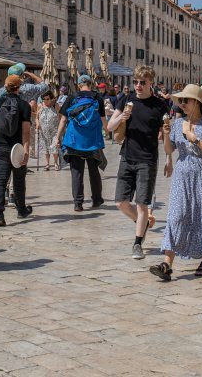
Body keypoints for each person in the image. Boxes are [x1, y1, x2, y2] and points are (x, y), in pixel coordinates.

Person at [149, 84, 202, 282]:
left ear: (197, 102)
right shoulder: (177, 123)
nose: (182, 104)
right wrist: (165, 134)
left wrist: (194, 138)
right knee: (176, 216)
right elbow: (170, 149)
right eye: (180, 101)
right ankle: (166, 263)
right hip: (182, 176)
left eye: (185, 100)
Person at [107, 65, 168, 260]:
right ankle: (144, 223)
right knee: (120, 203)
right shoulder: (126, 100)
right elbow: (110, 126)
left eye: (142, 82)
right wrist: (122, 118)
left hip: (147, 159)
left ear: (151, 83)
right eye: (135, 82)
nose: (138, 86)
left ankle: (137, 243)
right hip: (127, 156)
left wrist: (169, 159)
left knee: (142, 204)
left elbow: (166, 135)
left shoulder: (160, 106)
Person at [55, 75, 107, 211]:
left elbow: (63, 120)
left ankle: (78, 203)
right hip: (93, 141)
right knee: (94, 171)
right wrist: (108, 131)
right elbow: (103, 119)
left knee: (76, 172)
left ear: (78, 85)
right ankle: (96, 199)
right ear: (91, 84)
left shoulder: (71, 98)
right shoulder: (97, 98)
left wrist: (58, 137)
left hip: (74, 141)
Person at [0, 74, 33, 227]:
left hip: (1, 147)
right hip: (18, 147)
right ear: (19, 87)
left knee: (1, 181)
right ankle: (21, 210)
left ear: (5, 86)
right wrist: (26, 150)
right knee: (19, 180)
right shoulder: (24, 105)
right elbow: (26, 131)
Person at [37, 90, 60, 171]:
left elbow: (60, 117)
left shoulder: (55, 106)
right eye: (44, 99)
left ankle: (56, 163)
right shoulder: (40, 106)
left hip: (54, 130)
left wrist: (61, 129)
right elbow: (37, 117)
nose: (45, 101)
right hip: (44, 131)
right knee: (46, 148)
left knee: (54, 147)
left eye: (47, 99)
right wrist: (37, 124)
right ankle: (47, 164)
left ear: (51, 99)